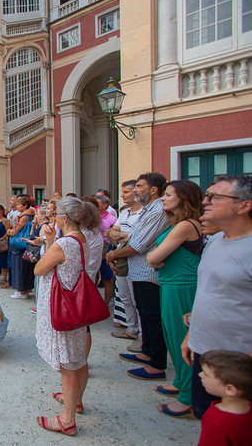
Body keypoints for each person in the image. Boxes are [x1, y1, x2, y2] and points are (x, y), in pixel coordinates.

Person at [182, 175, 252, 419]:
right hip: (205, 351)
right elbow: (207, 291)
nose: (205, 201)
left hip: (238, 361)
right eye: (206, 195)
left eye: (214, 197)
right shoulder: (215, 241)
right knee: (207, 415)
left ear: (244, 206)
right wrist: (192, 335)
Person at [34, 197, 100, 437]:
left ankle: (67, 419)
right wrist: (52, 241)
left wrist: (50, 242)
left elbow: (39, 268)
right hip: (75, 306)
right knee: (78, 358)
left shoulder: (65, 243)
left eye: (57, 213)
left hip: (62, 307)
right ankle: (76, 400)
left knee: (67, 365)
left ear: (64, 218)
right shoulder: (81, 239)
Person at [146, 180, 203, 418]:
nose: (162, 198)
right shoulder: (177, 224)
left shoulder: (186, 225)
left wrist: (154, 259)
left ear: (183, 198)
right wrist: (156, 259)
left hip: (182, 287)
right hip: (171, 284)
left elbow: (153, 257)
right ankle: (181, 381)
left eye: (168, 194)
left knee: (183, 339)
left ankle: (188, 398)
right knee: (172, 336)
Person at [107, 172, 169, 381]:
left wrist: (114, 253)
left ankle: (157, 364)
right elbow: (132, 236)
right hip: (139, 271)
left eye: (139, 186)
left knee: (152, 316)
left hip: (148, 272)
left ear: (153, 190)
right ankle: (147, 351)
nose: (135, 191)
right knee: (144, 311)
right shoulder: (148, 209)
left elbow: (138, 243)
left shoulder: (158, 209)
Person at [108, 180, 143, 346]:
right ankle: (132, 328)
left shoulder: (144, 213)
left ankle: (143, 335)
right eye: (122, 192)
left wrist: (121, 235)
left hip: (138, 260)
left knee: (138, 299)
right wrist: (124, 235)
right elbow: (112, 233)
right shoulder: (125, 212)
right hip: (122, 258)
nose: (122, 195)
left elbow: (139, 238)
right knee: (125, 296)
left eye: (126, 192)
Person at [197, 350, 252, 446]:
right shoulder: (248, 408)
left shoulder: (216, 422)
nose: (200, 374)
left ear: (229, 389)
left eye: (206, 374)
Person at [8, 196, 34, 299]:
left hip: (20, 243)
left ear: (25, 206)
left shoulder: (23, 217)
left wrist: (8, 231)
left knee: (19, 266)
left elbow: (15, 231)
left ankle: (22, 291)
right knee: (24, 267)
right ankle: (25, 289)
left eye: (19, 204)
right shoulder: (29, 214)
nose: (17, 206)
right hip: (24, 243)